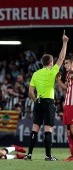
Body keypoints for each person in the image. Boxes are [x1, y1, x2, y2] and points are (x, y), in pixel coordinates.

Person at [23, 33, 69, 161]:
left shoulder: (36, 74)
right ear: (51, 63)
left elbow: (30, 91)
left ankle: (29, 154)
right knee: (48, 129)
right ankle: (48, 156)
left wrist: (35, 100)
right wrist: (65, 42)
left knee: (35, 128)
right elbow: (62, 57)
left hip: (38, 102)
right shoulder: (52, 71)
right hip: (48, 102)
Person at [56, 55, 73, 162]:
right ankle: (72, 155)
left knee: (72, 129)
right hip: (67, 105)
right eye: (65, 63)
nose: (65, 65)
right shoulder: (68, 74)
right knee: (68, 131)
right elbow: (66, 88)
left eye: (66, 63)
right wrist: (58, 80)